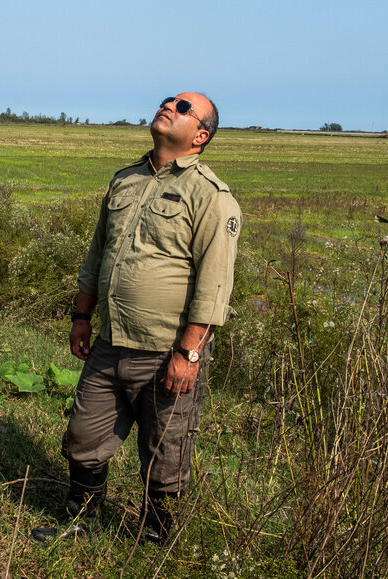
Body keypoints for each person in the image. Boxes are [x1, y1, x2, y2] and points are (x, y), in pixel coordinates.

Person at [32, 92, 241, 545]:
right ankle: (80, 523)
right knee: (83, 437)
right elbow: (96, 254)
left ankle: (155, 542)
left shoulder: (210, 196)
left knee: (165, 456)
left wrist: (189, 352)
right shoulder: (125, 180)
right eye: (168, 101)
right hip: (111, 342)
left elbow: (215, 283)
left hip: (167, 351)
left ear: (201, 136)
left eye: (184, 108)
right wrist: (81, 315)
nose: (169, 106)